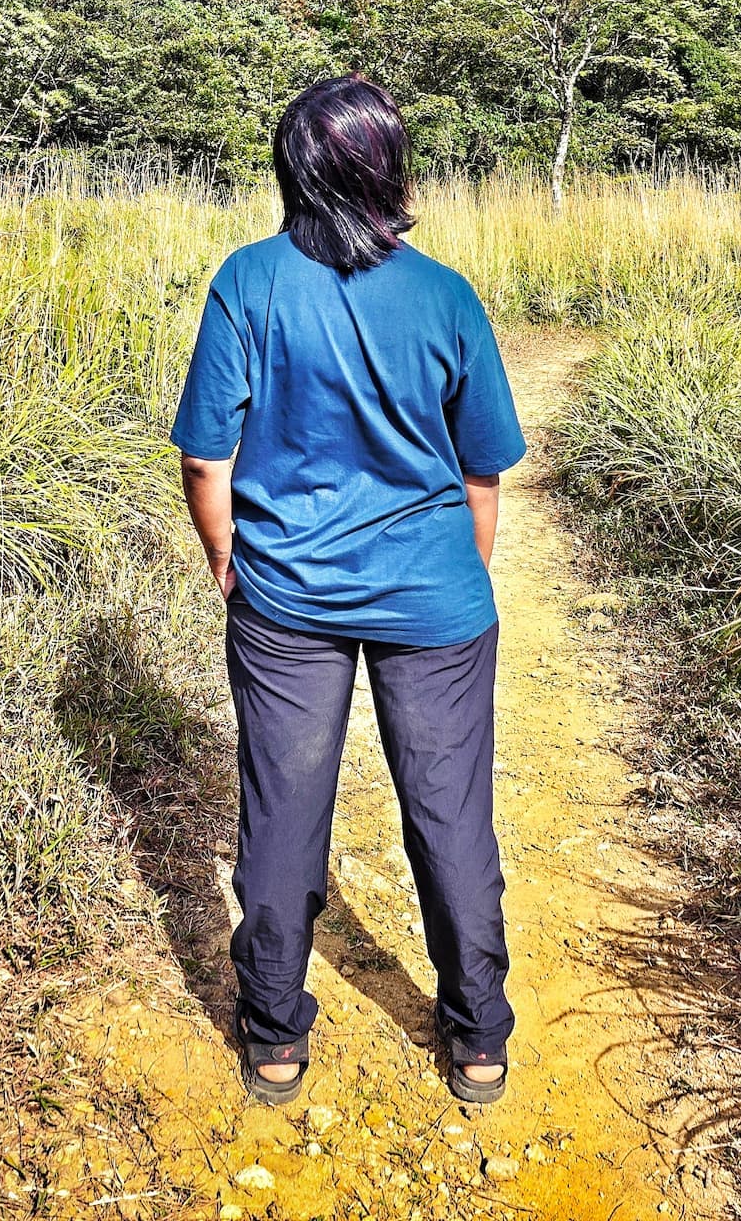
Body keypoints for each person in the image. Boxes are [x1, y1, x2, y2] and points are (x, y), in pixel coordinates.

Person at [170, 74, 526, 1109]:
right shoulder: (448, 296)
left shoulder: (247, 281)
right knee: (452, 812)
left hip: (286, 599)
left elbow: (206, 459)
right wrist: (460, 575)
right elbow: (481, 473)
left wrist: (225, 558)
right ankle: (478, 1040)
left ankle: (275, 1040)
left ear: (293, 171)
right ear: (388, 172)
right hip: (435, 599)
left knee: (282, 812)